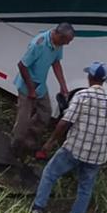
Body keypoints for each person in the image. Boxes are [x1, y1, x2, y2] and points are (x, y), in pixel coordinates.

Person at [31, 62, 107, 213]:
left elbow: (64, 122)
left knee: (50, 173)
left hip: (74, 149)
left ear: (89, 77)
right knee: (85, 188)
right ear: (104, 81)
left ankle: (38, 208)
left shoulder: (82, 96)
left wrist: (50, 142)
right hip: (97, 156)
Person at [12, 23, 74, 160]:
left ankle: (29, 143)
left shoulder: (58, 45)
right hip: (27, 87)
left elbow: (56, 63)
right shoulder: (38, 44)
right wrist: (31, 90)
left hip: (40, 86)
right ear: (59, 36)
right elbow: (22, 65)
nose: (67, 44)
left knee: (45, 114)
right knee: (23, 120)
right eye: (66, 41)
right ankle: (15, 149)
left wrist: (63, 85)